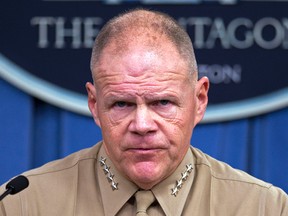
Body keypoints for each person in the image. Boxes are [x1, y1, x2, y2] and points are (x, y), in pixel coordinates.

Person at [0, 8, 287, 216]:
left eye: (162, 103)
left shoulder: (265, 207)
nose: (142, 124)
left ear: (199, 100)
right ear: (94, 104)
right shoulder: (21, 204)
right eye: (121, 104)